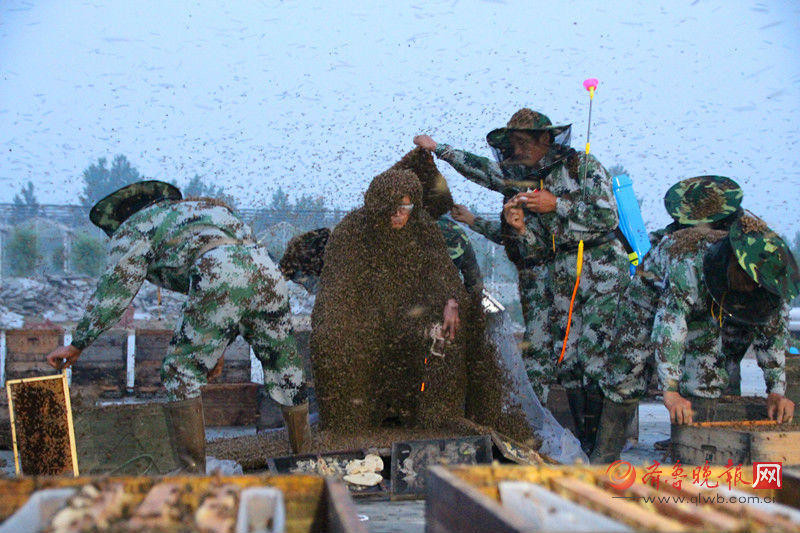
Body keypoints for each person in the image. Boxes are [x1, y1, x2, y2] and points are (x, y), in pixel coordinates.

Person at [45, 181, 310, 471]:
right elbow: (241, 277)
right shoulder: (204, 211)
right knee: (284, 364)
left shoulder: (134, 227)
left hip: (218, 271)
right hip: (267, 271)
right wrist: (216, 348)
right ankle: (307, 459)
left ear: (121, 215)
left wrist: (77, 343)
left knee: (180, 370)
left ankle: (192, 474)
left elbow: (116, 289)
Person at [414, 108, 630, 456]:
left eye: (522, 142)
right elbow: (488, 175)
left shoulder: (582, 167)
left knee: (594, 358)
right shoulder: (522, 178)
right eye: (511, 144)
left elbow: (607, 218)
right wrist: (442, 150)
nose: (516, 150)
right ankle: (580, 443)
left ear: (545, 139)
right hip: (559, 277)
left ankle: (605, 452)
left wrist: (556, 204)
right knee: (568, 361)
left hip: (600, 271)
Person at [310, 169, 467, 432]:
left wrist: (451, 302)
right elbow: (335, 290)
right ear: (378, 206)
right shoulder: (352, 231)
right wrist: (339, 324)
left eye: (405, 208)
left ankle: (434, 423)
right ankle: (346, 427)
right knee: (331, 338)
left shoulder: (423, 229)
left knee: (449, 335)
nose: (398, 214)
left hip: (412, 315)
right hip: (365, 315)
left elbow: (444, 273)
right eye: (392, 207)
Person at [652, 213, 799, 427]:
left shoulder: (770, 287)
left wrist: (776, 391)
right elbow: (669, 327)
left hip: (714, 301)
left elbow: (771, 335)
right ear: (735, 266)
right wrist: (670, 390)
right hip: (653, 290)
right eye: (748, 282)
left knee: (711, 372)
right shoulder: (689, 265)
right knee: (627, 372)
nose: (751, 288)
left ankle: (703, 424)